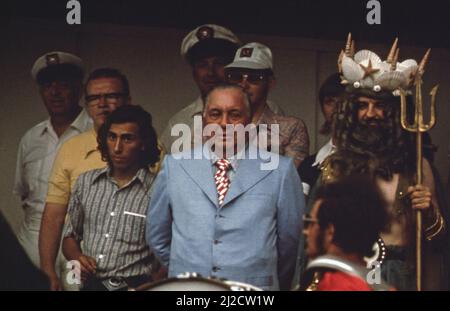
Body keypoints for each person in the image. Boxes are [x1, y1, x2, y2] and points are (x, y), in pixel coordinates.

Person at [314, 35, 447, 290]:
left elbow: (439, 242)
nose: (370, 114)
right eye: (362, 106)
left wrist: (429, 213)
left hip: (400, 276)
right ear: (351, 113)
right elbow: (312, 242)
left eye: (379, 106)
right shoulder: (334, 167)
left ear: (394, 113)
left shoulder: (417, 166)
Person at [147, 84, 303, 290]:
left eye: (234, 115)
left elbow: (290, 243)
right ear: (204, 120)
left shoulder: (280, 170)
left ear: (248, 121)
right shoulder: (174, 165)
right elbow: (157, 235)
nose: (224, 123)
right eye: (215, 114)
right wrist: (184, 268)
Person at [39, 68, 132, 290]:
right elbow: (53, 215)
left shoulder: (151, 147)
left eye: (111, 96)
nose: (102, 103)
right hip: (80, 265)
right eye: (93, 98)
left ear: (128, 100)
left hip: (133, 271)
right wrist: (48, 271)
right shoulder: (71, 149)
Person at [62, 105, 161, 291]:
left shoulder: (160, 190)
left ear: (143, 143)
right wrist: (77, 257)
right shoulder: (86, 182)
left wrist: (155, 284)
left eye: (127, 139)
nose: (117, 147)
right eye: (112, 137)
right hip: (91, 286)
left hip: (136, 284)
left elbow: (175, 249)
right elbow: (69, 237)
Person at [13, 51, 91, 270]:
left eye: (63, 85)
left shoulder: (97, 132)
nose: (55, 92)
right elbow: (24, 195)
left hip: (81, 243)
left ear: (79, 88)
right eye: (48, 86)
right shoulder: (30, 139)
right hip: (32, 241)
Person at [160, 24, 284, 153]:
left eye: (219, 63)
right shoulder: (179, 123)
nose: (210, 72)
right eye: (202, 65)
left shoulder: (269, 111)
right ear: (193, 72)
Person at [224, 42, 309, 168]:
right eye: (236, 77)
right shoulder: (214, 124)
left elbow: (288, 179)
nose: (243, 84)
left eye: (254, 78)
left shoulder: (291, 128)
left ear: (270, 83)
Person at [301, 175, 392, 291]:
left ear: (330, 232)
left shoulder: (334, 286)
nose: (306, 231)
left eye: (311, 223)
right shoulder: (383, 288)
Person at [298, 73, 345, 196]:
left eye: (343, 101)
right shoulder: (309, 165)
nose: (336, 108)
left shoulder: (370, 160)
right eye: (329, 102)